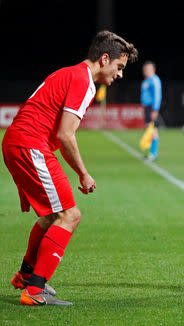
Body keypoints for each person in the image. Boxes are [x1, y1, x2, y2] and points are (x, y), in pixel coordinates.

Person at [2, 30, 138, 306]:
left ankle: (27, 276)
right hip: (30, 144)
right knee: (70, 215)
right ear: (104, 59)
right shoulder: (83, 80)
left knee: (53, 215)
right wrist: (84, 174)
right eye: (119, 67)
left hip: (19, 142)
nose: (120, 74)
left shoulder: (71, 73)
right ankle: (35, 290)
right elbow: (66, 135)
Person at [141, 61, 162, 160]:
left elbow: (157, 95)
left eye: (148, 69)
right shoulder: (147, 80)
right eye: (145, 69)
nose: (146, 71)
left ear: (153, 70)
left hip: (151, 108)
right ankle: (151, 152)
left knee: (153, 129)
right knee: (149, 129)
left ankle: (153, 153)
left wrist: (155, 110)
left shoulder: (155, 80)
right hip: (147, 107)